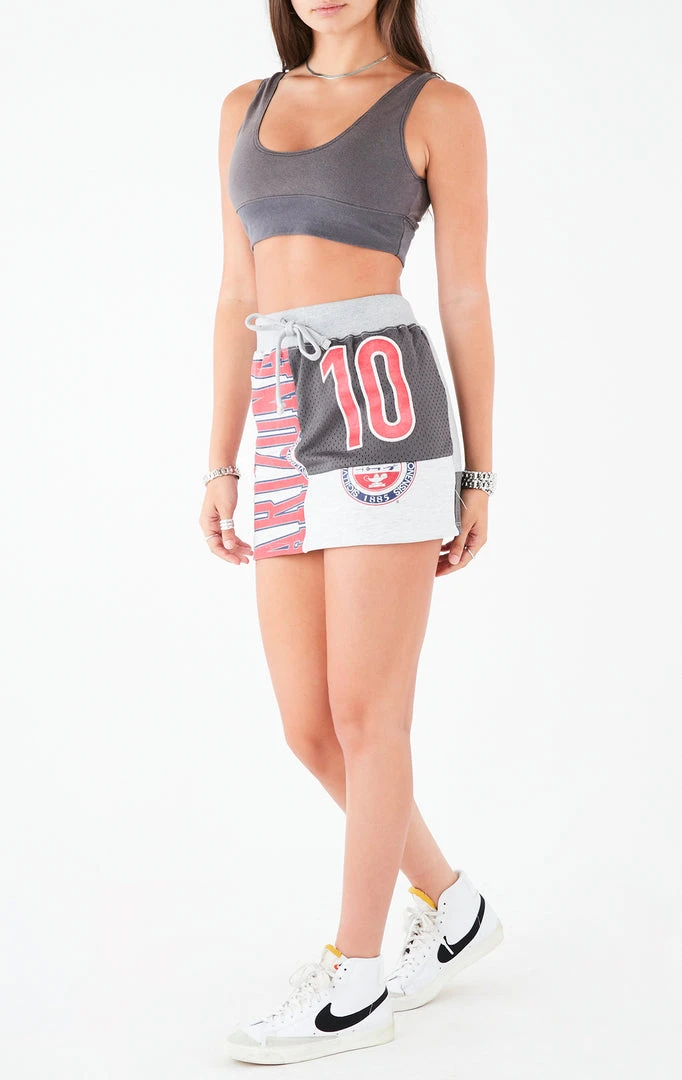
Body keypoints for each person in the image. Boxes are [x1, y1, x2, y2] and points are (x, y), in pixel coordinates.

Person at [199, 0, 501, 1065]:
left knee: (370, 716)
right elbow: (236, 290)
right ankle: (453, 906)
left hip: (383, 407)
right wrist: (222, 460)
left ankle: (356, 978)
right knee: (309, 726)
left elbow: (464, 297)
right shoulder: (246, 105)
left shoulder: (435, 108)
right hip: (282, 413)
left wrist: (479, 472)